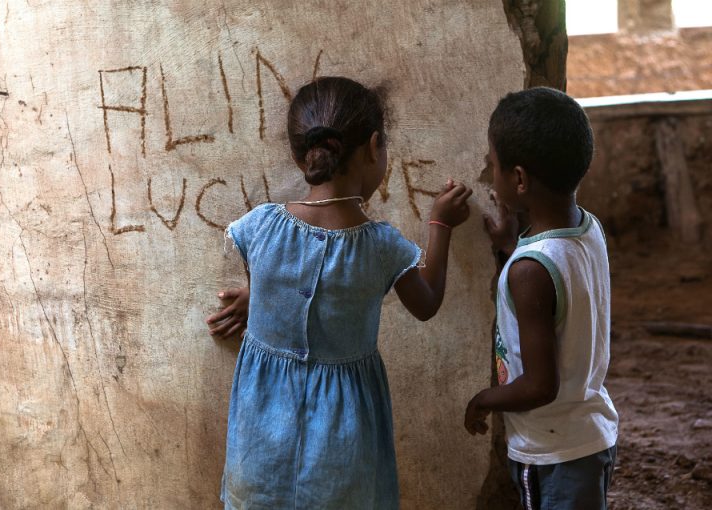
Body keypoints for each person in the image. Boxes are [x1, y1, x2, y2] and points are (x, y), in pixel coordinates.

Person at [206, 76, 472, 509]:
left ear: (300, 155)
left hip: (259, 453)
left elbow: (287, 280)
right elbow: (426, 303)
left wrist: (260, 301)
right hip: (341, 450)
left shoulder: (260, 228)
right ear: (373, 148)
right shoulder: (381, 246)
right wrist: (440, 225)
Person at [464, 87, 618, 509]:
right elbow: (559, 284)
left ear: (518, 179)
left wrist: (483, 399)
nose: (487, 174)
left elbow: (539, 386)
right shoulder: (588, 229)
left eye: (492, 165)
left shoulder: (530, 270)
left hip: (553, 455)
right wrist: (512, 248)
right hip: (587, 436)